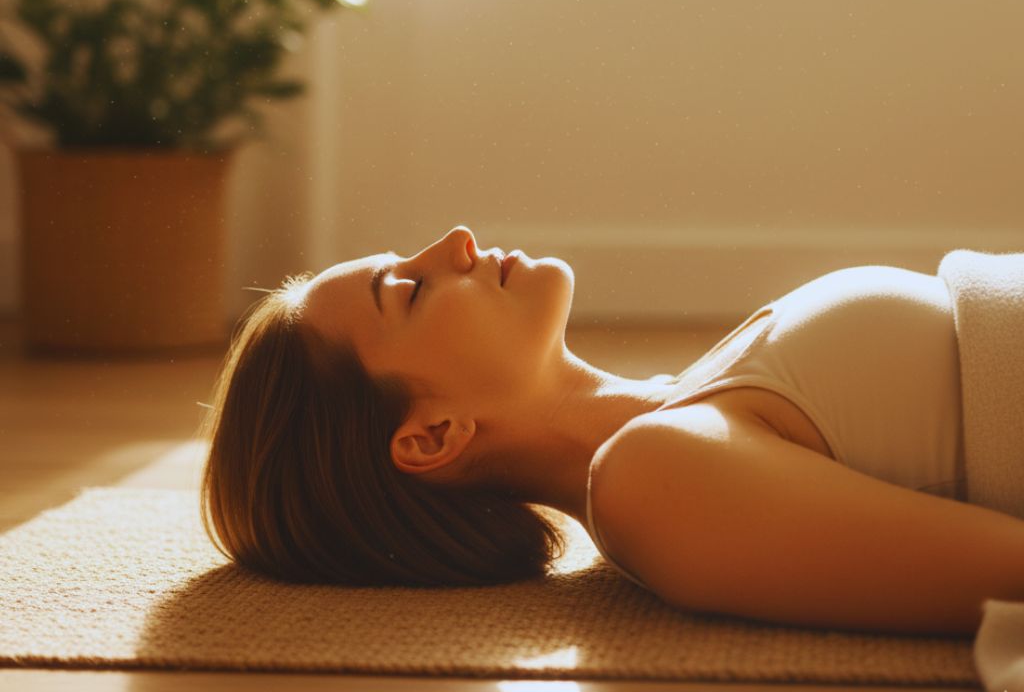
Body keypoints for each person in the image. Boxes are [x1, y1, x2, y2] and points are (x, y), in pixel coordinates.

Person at [199, 224, 1024, 638]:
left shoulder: (684, 408)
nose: (453, 242)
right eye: (407, 292)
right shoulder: (654, 481)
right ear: (431, 435)